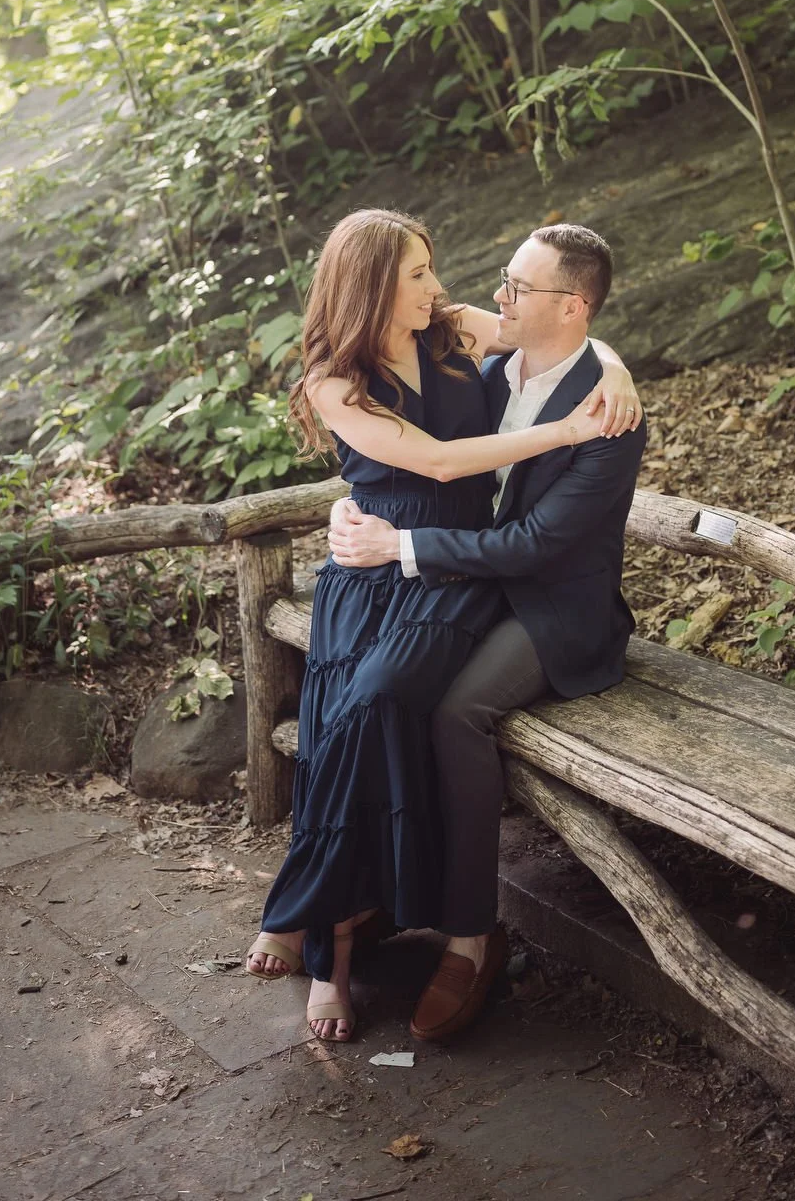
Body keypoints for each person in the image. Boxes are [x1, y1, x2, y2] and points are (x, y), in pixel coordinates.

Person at [243, 209, 642, 1044]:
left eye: (518, 285)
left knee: (413, 704)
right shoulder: (385, 367)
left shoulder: (502, 357)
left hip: (499, 586)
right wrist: (382, 534)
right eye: (421, 272)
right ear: (376, 284)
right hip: (408, 566)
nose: (456, 287)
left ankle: (420, 926)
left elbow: (570, 333)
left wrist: (616, 365)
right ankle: (337, 922)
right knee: (355, 707)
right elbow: (432, 457)